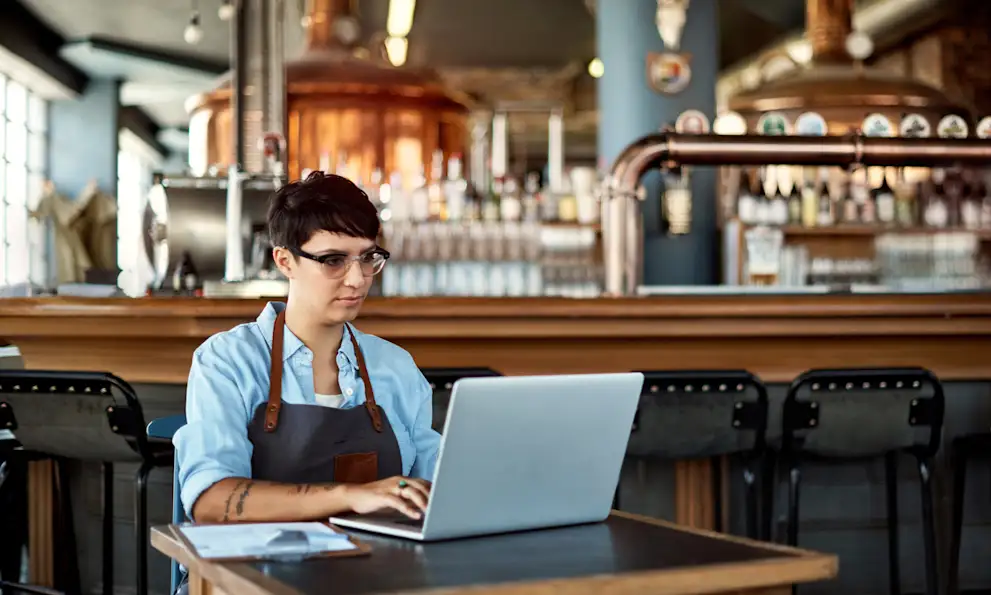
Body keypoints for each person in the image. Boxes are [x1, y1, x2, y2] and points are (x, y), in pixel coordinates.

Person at [172, 171, 439, 525]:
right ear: (285, 261)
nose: (357, 279)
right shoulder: (228, 361)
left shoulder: (396, 366)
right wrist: (349, 495)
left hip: (376, 570)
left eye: (367, 258)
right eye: (333, 260)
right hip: (252, 572)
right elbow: (211, 501)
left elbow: (437, 487)